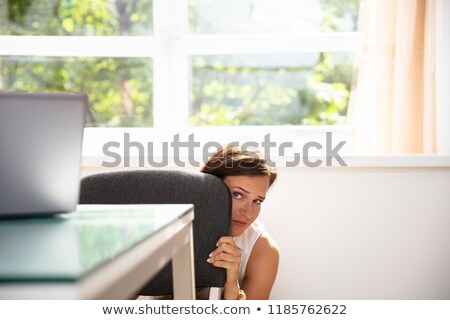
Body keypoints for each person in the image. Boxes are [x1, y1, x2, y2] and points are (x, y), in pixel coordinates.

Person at [200, 144, 279, 300]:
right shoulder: (173, 224)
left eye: (257, 201)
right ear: (208, 188)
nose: (248, 213)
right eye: (237, 195)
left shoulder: (263, 250)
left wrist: (232, 286)